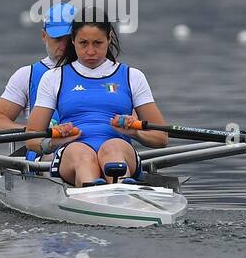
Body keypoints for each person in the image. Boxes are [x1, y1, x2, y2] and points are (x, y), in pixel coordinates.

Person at [24, 12, 169, 186]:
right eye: (83, 43)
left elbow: (161, 138)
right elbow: (31, 139)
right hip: (73, 151)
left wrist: (135, 132)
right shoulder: (54, 77)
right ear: (73, 41)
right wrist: (55, 142)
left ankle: (118, 192)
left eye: (98, 43)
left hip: (120, 149)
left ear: (108, 39)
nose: (90, 52)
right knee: (83, 155)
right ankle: (100, 192)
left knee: (112, 148)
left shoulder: (132, 76)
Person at [0, 4, 75, 161]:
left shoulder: (100, 72)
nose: (63, 46)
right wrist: (35, 130)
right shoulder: (26, 75)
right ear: (44, 36)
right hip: (45, 151)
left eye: (69, 39)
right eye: (58, 38)